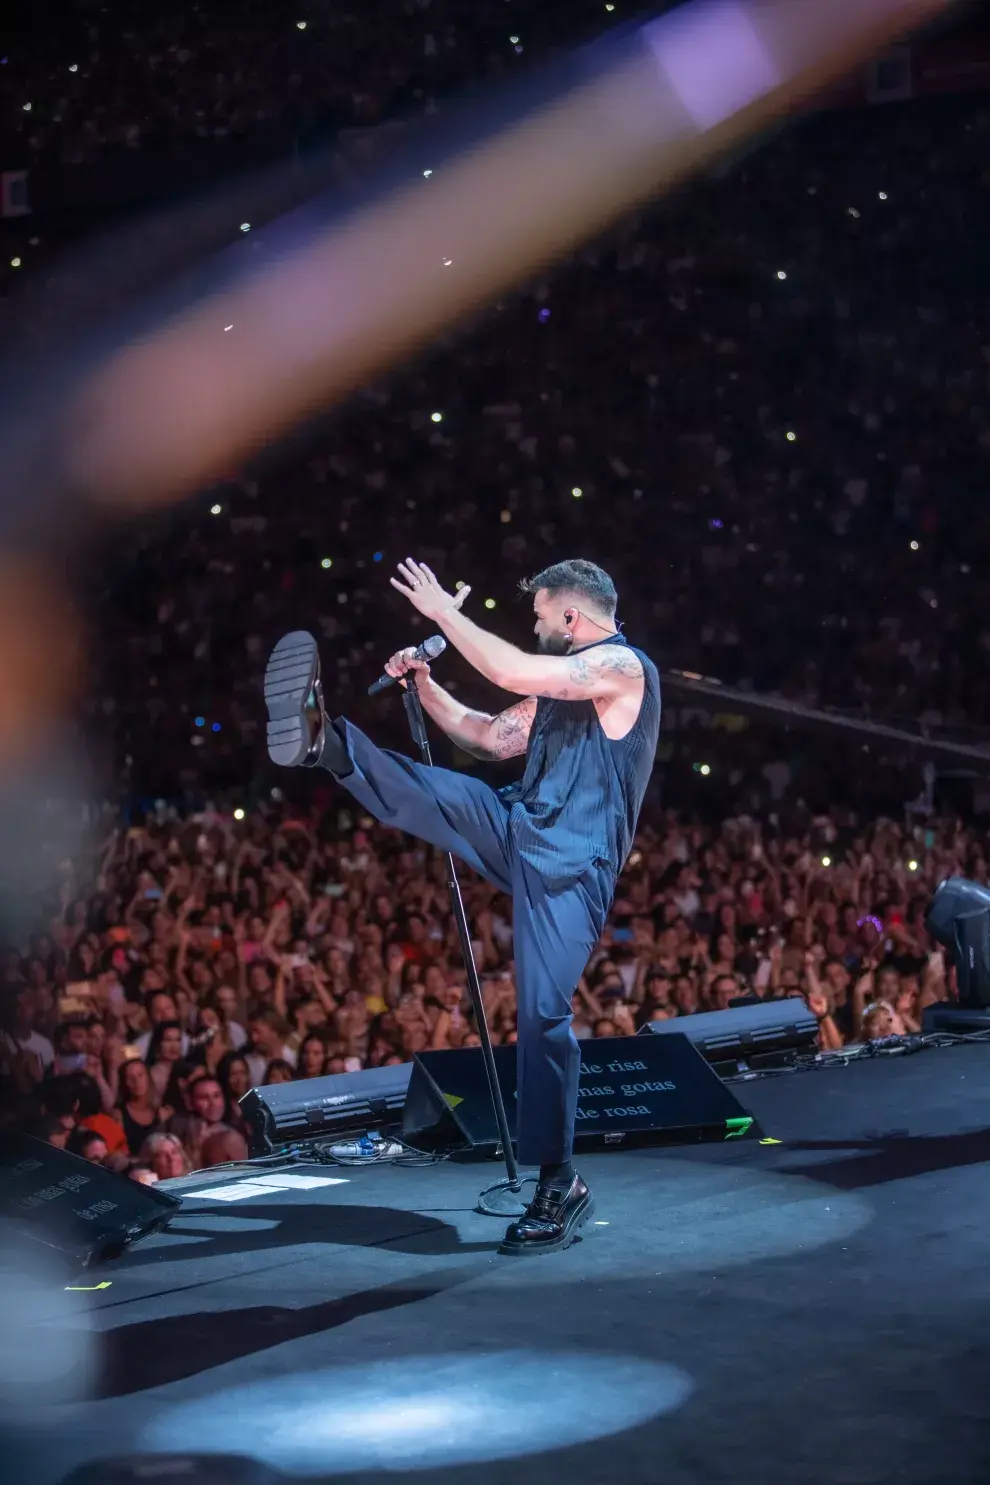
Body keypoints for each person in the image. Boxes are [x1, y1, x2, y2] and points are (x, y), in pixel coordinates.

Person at [264, 557, 660, 1255]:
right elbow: (487, 734)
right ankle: (328, 742)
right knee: (440, 794)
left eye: (540, 615)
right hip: (520, 825)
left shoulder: (622, 669)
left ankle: (557, 1183)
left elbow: (510, 670)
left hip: (572, 868)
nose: (534, 626)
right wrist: (426, 684)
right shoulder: (562, 688)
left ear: (572, 616)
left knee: (543, 1015)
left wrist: (444, 613)